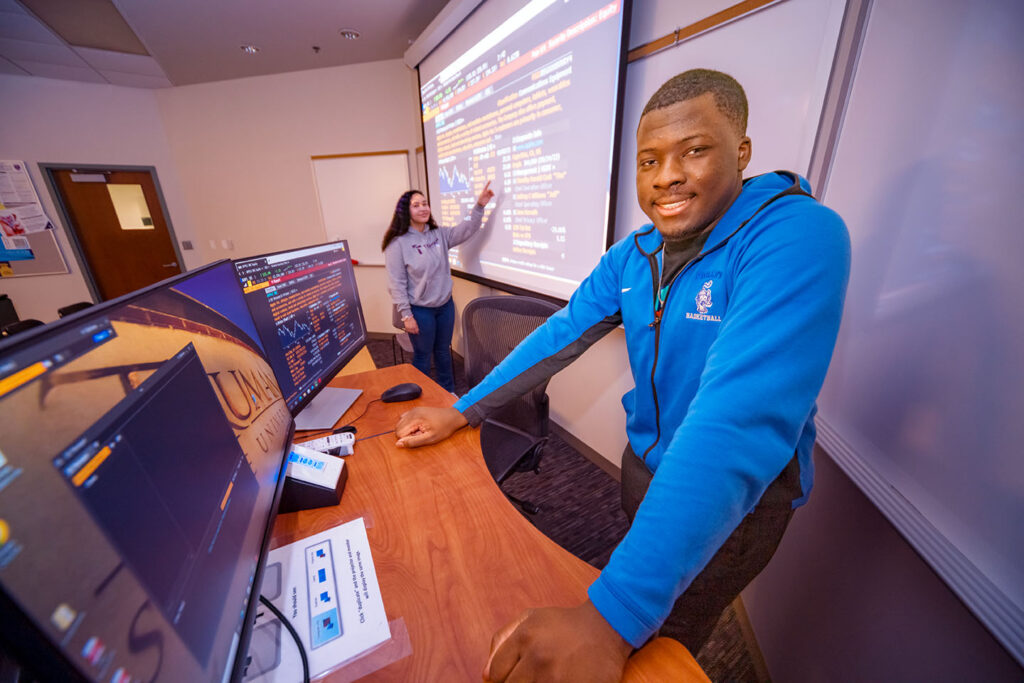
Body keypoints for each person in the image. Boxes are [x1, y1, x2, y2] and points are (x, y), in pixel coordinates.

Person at [395, 69, 851, 681]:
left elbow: (735, 422)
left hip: (742, 498)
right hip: (644, 466)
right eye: (649, 160)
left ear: (741, 153)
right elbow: (556, 337)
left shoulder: (797, 234)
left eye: (694, 151)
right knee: (632, 611)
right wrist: (461, 409)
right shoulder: (633, 254)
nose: (666, 176)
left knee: (653, 649)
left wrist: (612, 617)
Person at [383, 182, 494, 392]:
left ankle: (448, 392)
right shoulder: (397, 244)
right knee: (423, 356)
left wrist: (479, 206)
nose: (423, 208)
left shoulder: (439, 235)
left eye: (425, 203)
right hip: (420, 310)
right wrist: (407, 316)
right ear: (406, 212)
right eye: (416, 205)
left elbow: (467, 229)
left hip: (444, 306)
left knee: (443, 351)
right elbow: (396, 284)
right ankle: (420, 397)